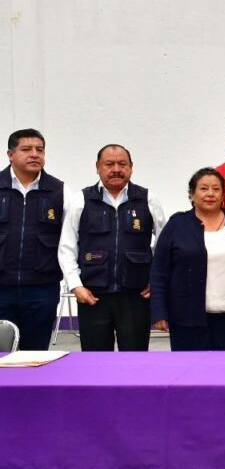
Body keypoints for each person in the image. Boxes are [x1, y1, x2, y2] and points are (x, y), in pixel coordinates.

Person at [58, 144, 166, 351]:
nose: (116, 169)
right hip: (92, 295)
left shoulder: (147, 199)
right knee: (95, 360)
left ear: (131, 167)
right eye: (109, 164)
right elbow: (67, 247)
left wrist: (156, 281)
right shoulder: (81, 199)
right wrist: (76, 285)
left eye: (122, 164)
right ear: (97, 167)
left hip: (135, 296)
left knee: (134, 360)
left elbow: (164, 246)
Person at [149, 168, 225, 351]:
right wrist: (159, 312)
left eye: (216, 189)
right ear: (191, 194)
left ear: (223, 195)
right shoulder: (177, 224)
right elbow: (159, 271)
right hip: (186, 317)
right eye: (203, 188)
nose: (210, 194)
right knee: (190, 368)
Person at [0, 129, 64, 351]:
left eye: (40, 150)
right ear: (10, 154)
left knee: (35, 353)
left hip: (42, 288)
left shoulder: (59, 191)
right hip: (1, 287)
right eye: (26, 149)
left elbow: (69, 241)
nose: (35, 154)